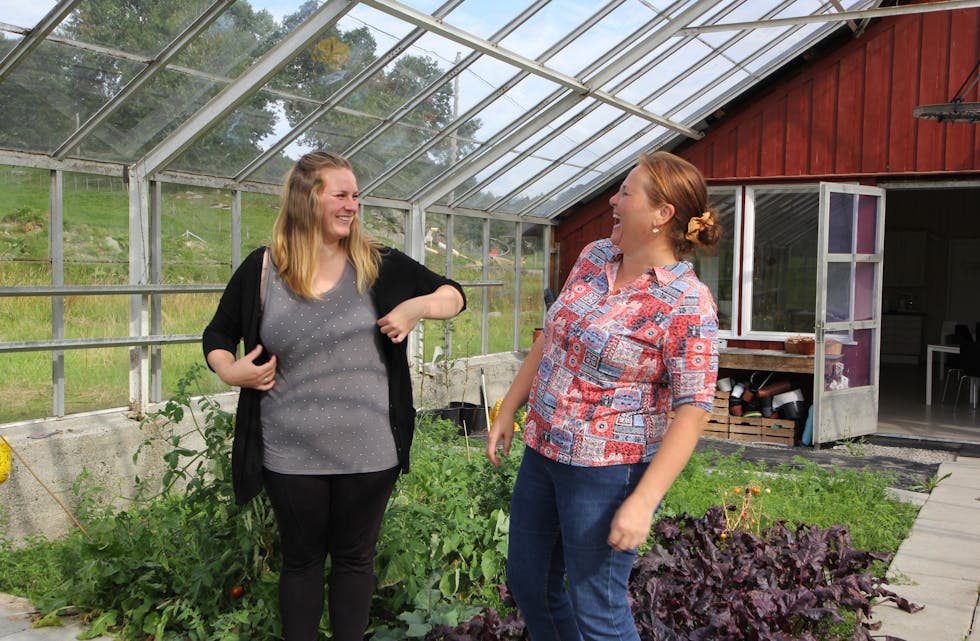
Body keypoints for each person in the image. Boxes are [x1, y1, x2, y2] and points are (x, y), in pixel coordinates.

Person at [203, 151, 465, 641]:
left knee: (353, 560)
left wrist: (417, 307)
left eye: (356, 196)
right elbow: (217, 336)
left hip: (369, 452)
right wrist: (231, 370)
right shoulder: (264, 270)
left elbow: (454, 295)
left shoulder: (377, 263)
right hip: (288, 451)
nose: (353, 205)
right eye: (341, 195)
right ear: (307, 198)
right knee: (300, 563)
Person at [485, 150, 720, 641]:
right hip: (544, 451)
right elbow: (551, 338)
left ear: (662, 216)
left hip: (606, 471)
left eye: (626, 192)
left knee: (598, 607)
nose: (613, 200)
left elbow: (694, 409)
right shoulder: (594, 257)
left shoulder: (687, 302)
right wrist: (509, 408)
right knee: (528, 582)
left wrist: (643, 501)